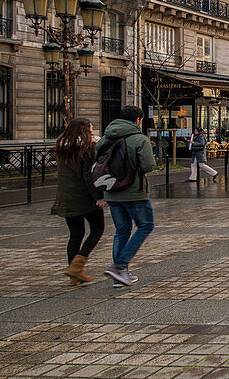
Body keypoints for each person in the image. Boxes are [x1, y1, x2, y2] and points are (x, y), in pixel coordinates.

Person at [100, 105, 156, 287]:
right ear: (138, 120)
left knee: (121, 230)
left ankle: (120, 275)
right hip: (134, 192)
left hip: (111, 191)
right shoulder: (139, 139)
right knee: (146, 225)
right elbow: (148, 166)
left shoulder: (104, 139)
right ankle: (120, 265)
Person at [54, 118, 105, 285]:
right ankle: (77, 267)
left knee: (75, 234)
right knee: (97, 229)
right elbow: (88, 176)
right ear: (84, 130)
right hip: (84, 197)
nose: (92, 132)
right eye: (90, 129)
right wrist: (98, 197)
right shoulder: (87, 148)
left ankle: (73, 275)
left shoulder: (63, 146)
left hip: (66, 196)